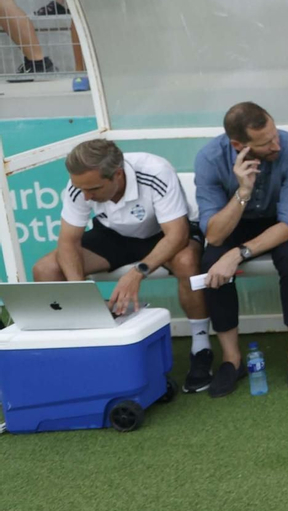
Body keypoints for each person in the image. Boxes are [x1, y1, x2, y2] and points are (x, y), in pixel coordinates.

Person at [33, 139, 212, 391]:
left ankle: (201, 347)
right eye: (80, 188)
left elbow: (177, 234)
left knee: (186, 261)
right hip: (114, 235)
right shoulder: (81, 185)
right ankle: (81, 351)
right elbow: (68, 241)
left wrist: (137, 272)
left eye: (93, 189)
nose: (86, 196)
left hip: (162, 233)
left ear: (117, 174)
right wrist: (82, 293)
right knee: (46, 269)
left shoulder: (155, 171)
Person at [194, 102, 288, 397]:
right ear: (238, 145)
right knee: (212, 262)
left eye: (275, 134)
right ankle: (232, 360)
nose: (277, 144)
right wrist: (243, 192)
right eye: (266, 143)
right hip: (237, 216)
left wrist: (238, 253)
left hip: (285, 220)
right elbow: (214, 234)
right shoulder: (209, 159)